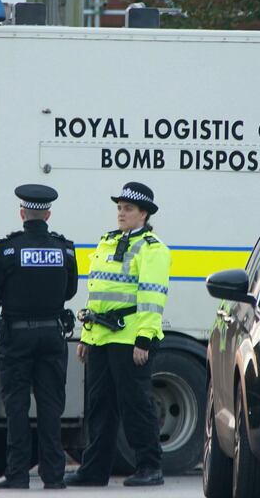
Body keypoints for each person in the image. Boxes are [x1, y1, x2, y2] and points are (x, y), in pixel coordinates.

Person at [64, 182, 171, 488]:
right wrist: (86, 335)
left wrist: (145, 339)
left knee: (136, 405)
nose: (121, 214)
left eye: (129, 209)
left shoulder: (153, 249)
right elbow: (97, 293)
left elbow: (153, 297)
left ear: (144, 214)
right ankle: (95, 470)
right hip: (101, 337)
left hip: (130, 339)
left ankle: (150, 466)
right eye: (120, 208)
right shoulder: (107, 242)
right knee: (99, 406)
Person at [0, 184, 78, 490]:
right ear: (48, 213)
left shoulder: (7, 248)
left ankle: (18, 474)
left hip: (16, 338)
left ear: (22, 213)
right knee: (51, 407)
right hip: (52, 335)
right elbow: (70, 291)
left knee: (17, 407)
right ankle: (54, 476)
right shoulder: (64, 249)